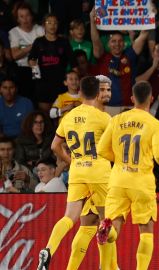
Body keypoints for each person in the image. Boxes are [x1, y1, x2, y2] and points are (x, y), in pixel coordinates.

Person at [37, 76, 115, 270]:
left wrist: (72, 161)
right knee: (106, 224)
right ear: (97, 93)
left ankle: (48, 249)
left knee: (70, 217)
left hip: (78, 171)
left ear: (80, 93)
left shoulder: (68, 117)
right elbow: (115, 149)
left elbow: (55, 146)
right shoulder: (104, 117)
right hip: (99, 172)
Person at [95, 81, 159, 270]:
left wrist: (121, 160)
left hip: (118, 179)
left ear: (132, 99)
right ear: (151, 99)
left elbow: (101, 149)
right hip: (142, 182)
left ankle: (109, 231)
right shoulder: (155, 124)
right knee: (146, 231)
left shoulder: (116, 120)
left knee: (114, 225)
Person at [90, 9, 150, 109]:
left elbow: (144, 35)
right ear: (108, 44)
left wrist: (149, 14)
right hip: (107, 107)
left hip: (129, 106)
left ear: (124, 43)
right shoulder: (103, 57)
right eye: (113, 41)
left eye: (120, 41)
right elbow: (95, 39)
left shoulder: (130, 55)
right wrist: (92, 20)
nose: (117, 44)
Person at [28, 14, 73, 113]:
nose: (52, 25)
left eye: (55, 23)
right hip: (43, 84)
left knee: (61, 114)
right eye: (49, 22)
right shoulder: (38, 41)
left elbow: (73, 62)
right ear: (44, 25)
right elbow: (31, 59)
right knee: (45, 115)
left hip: (60, 83)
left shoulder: (64, 42)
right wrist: (33, 64)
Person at [8, 2, 44, 102]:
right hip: (23, 70)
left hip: (40, 67)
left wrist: (24, 49)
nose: (25, 19)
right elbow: (15, 55)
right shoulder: (14, 32)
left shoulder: (40, 29)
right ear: (17, 18)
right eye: (21, 16)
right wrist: (33, 46)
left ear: (32, 16)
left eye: (27, 15)